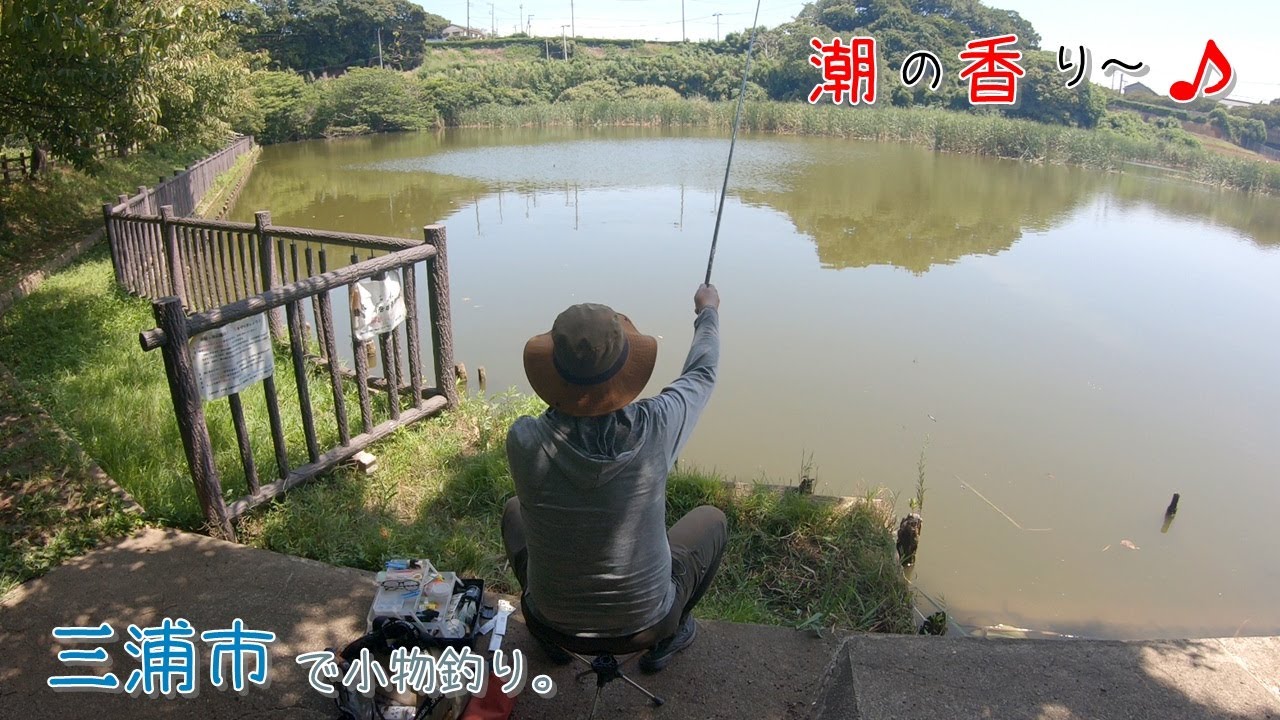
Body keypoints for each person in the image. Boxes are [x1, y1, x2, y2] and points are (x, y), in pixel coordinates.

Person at [501, 284, 727, 673]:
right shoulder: (658, 425)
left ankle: (552, 643)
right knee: (713, 521)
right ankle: (668, 638)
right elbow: (702, 373)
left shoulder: (523, 441)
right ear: (624, 371)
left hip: (547, 618)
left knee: (512, 511)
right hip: (646, 624)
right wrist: (707, 311)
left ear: (555, 371)